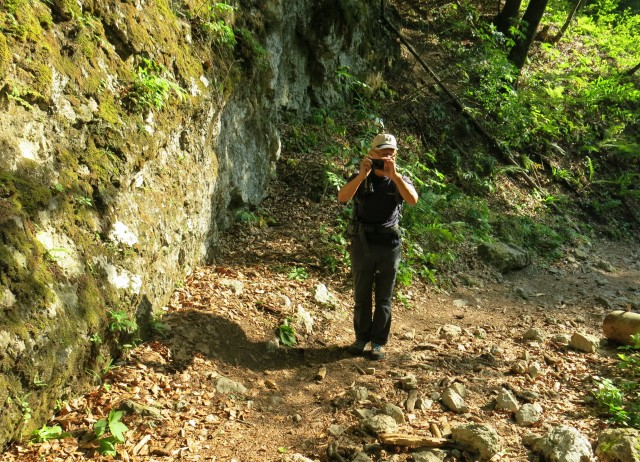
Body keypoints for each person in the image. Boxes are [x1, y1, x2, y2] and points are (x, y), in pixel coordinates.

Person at [337, 133, 419, 360]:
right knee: (361, 294)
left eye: (390, 153)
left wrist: (394, 176)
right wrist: (362, 174)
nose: (386, 156)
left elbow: (412, 199)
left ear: (396, 155)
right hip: (362, 244)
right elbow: (342, 198)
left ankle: (378, 342)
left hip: (389, 245)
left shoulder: (400, 179)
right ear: (372, 154)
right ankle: (361, 338)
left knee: (384, 297)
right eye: (382, 153)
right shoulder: (361, 178)